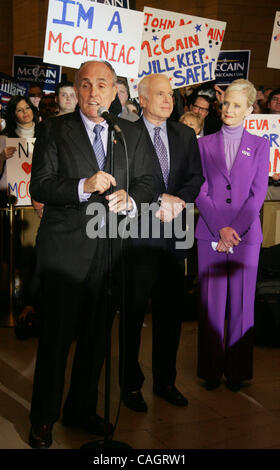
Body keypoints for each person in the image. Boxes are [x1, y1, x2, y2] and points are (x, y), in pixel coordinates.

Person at [28, 60, 154, 449]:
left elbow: (150, 180)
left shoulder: (128, 133)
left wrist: (132, 198)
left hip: (111, 254)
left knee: (98, 340)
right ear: (76, 89)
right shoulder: (54, 129)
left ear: (115, 89)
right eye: (85, 85)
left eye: (102, 84)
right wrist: (83, 185)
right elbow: (43, 184)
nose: (93, 92)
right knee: (56, 340)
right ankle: (43, 419)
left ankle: (80, 408)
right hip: (65, 254)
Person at [120, 73, 204, 412]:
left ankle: (165, 381)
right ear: (142, 99)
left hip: (174, 237)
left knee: (170, 315)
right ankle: (130, 384)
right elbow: (124, 180)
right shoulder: (126, 134)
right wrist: (159, 199)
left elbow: (195, 177)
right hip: (138, 238)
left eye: (170, 94)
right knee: (133, 313)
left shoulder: (184, 135)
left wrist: (178, 200)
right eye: (160, 94)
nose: (168, 100)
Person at [195, 79, 270, 392]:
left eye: (237, 105)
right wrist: (219, 228)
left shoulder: (261, 145)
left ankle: (237, 371)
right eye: (226, 103)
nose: (229, 110)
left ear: (249, 109)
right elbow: (198, 189)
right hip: (210, 234)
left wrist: (234, 230)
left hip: (246, 236)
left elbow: (258, 194)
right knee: (211, 305)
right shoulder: (201, 144)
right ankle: (211, 369)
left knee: (242, 304)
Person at [0, 95, 39, 175]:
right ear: (14, 116)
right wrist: (1, 157)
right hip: (10, 187)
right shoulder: (4, 138)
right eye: (19, 110)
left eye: (27, 107)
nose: (25, 112)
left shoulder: (44, 134)